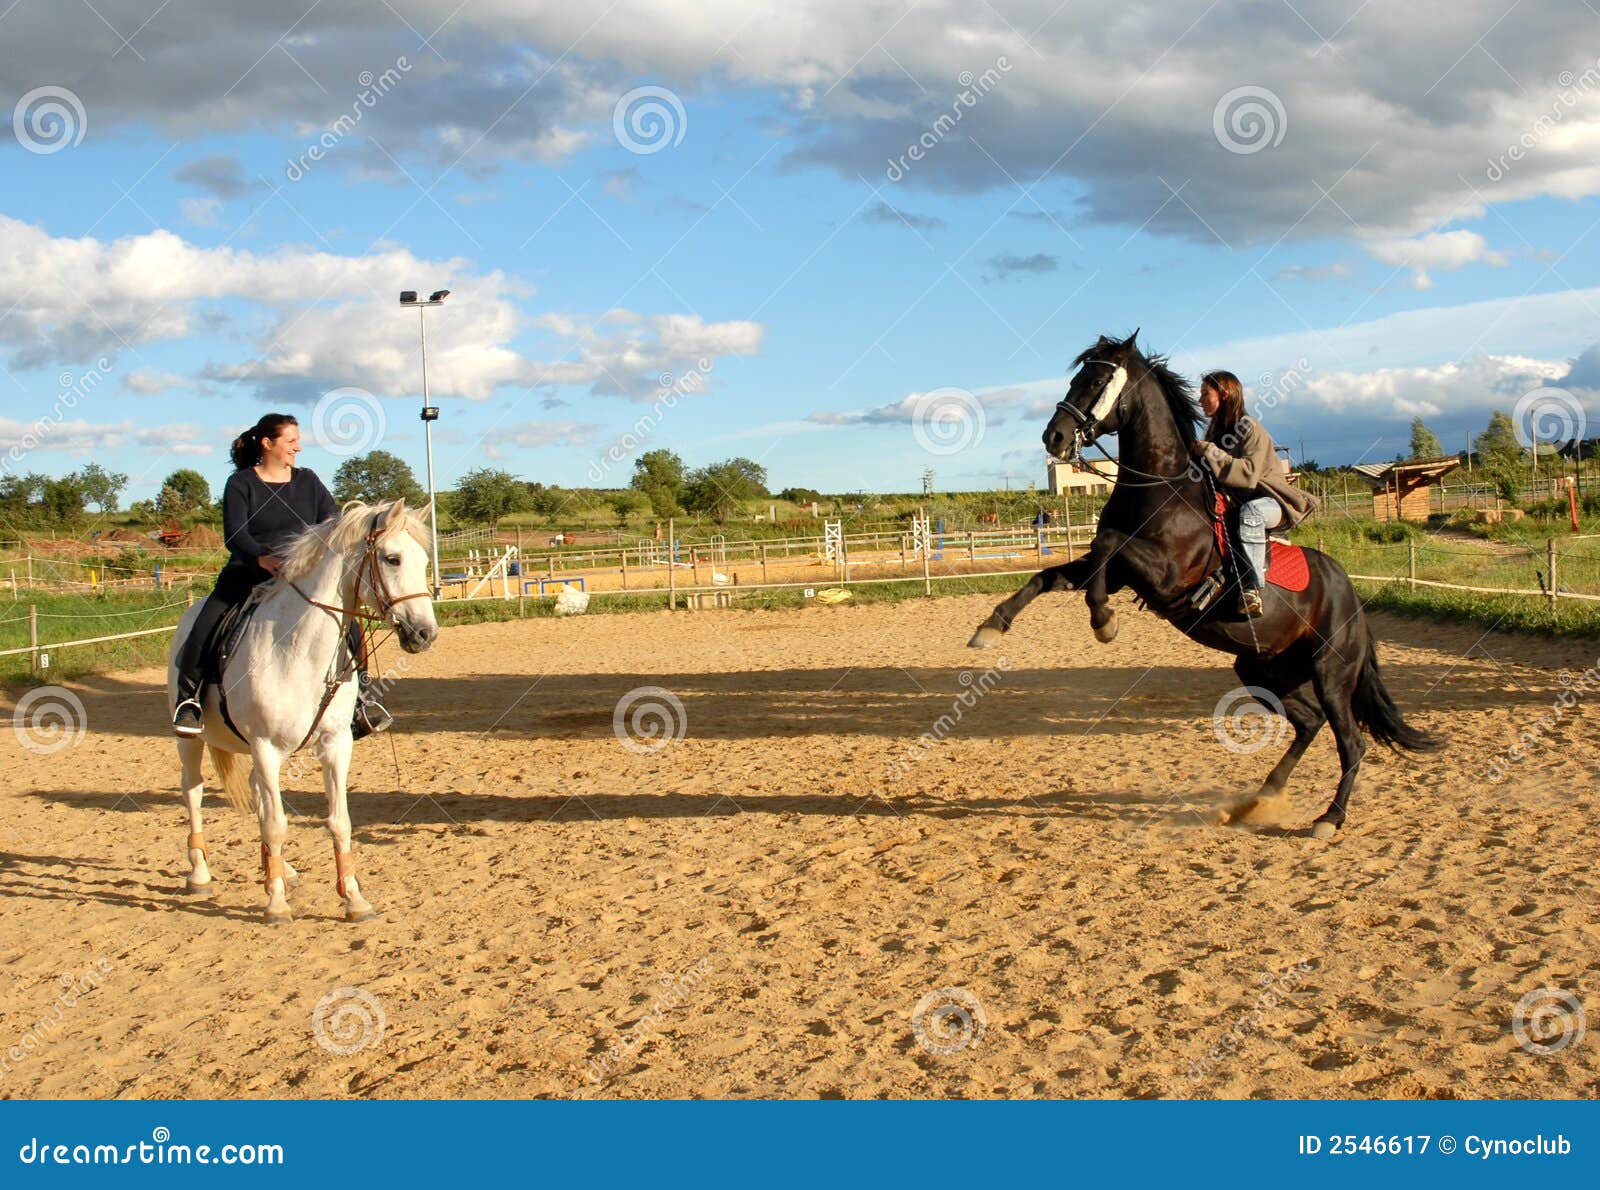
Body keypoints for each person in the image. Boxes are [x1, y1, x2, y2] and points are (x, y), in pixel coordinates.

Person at [171, 413, 392, 738]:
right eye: (291, 441)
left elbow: (333, 526)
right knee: (206, 623)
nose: (298, 447)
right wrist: (261, 556)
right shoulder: (241, 483)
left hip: (303, 577)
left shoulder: (309, 481)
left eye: (297, 441)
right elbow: (235, 534)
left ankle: (359, 701)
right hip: (250, 572)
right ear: (267, 443)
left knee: (352, 628)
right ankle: (189, 700)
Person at [1191, 371, 1319, 617]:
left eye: (1205, 393)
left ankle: (1252, 589)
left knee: (1252, 512)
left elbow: (1248, 474)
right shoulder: (1216, 433)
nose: (1200, 400)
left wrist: (1209, 451)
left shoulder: (1249, 428)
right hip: (1238, 504)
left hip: (1272, 503)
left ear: (1225, 395)